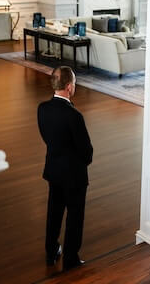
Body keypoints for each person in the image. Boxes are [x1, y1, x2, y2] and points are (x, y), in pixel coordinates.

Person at [37, 66, 93, 270]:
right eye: (75, 84)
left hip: (53, 170)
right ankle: (70, 258)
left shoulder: (42, 109)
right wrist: (80, 162)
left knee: (54, 213)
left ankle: (51, 251)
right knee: (74, 217)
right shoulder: (74, 116)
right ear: (69, 87)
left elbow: (47, 137)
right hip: (74, 176)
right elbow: (87, 152)